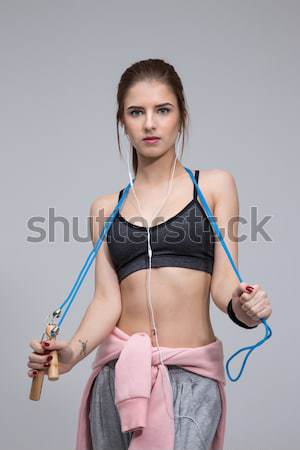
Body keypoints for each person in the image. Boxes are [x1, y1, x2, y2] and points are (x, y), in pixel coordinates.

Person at [27, 58, 272, 450]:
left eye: (163, 110)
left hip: (192, 376)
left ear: (181, 117)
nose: (150, 123)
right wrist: (70, 352)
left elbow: (225, 282)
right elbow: (108, 301)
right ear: (122, 121)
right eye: (136, 112)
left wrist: (244, 309)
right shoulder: (104, 208)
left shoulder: (212, 187)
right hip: (119, 376)